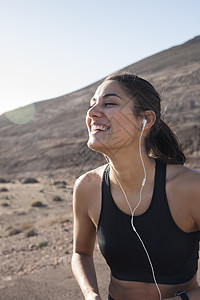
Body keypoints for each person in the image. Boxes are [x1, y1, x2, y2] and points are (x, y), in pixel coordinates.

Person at [71, 72, 200, 300]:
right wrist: (91, 295)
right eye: (92, 105)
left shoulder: (191, 187)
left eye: (109, 103)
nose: (92, 113)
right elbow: (81, 253)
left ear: (146, 120)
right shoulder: (87, 187)